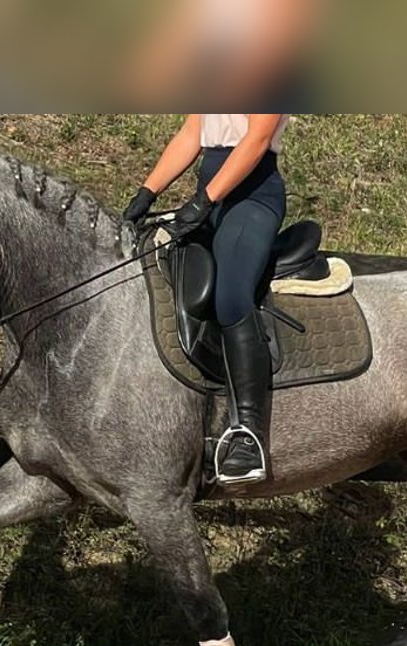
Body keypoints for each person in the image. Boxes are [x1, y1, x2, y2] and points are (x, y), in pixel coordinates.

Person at [123, 113, 289, 485]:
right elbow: (192, 133)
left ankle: (248, 435)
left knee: (231, 295)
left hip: (251, 198)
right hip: (212, 199)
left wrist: (205, 199)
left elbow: (257, 139)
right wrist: (146, 193)